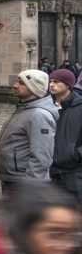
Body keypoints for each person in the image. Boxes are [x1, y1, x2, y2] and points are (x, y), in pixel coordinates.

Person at [0, 70, 58, 193]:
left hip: (23, 183)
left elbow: (41, 156)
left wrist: (30, 188)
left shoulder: (39, 114)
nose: (15, 85)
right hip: (12, 179)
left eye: (22, 83)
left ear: (34, 88)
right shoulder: (24, 108)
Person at [49, 69, 82, 207]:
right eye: (50, 81)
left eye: (56, 82)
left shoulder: (79, 106)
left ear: (68, 85)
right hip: (49, 170)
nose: (51, 85)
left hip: (73, 171)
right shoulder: (47, 106)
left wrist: (75, 155)